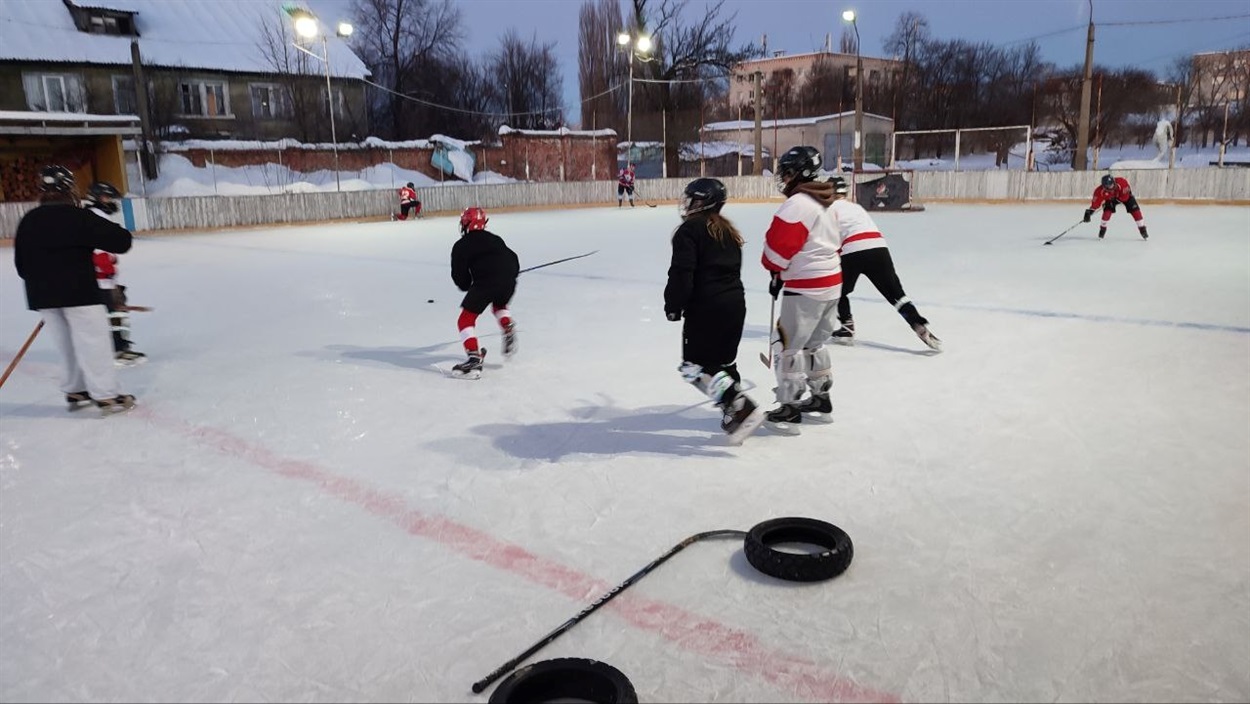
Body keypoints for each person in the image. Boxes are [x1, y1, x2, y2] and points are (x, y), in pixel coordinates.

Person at [13, 165, 136, 415]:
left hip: (43, 296)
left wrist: (45, 286)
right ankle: (106, 394)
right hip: (80, 293)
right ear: (69, 189)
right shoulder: (77, 217)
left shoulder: (29, 221)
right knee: (93, 342)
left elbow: (21, 265)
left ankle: (76, 389)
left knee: (66, 344)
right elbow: (122, 241)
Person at [663, 178, 765, 444]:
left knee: (694, 367)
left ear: (704, 202)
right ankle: (734, 411)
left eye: (692, 199)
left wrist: (673, 305)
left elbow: (682, 272)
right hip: (734, 305)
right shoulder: (728, 232)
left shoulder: (689, 230)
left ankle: (742, 408)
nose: (687, 204)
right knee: (723, 364)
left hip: (706, 307)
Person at [759, 146, 843, 435]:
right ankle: (821, 398)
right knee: (814, 345)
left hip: (806, 288)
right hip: (832, 284)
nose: (783, 177)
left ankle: (789, 409)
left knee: (786, 346)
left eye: (787, 172)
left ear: (800, 174)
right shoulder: (825, 201)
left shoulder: (798, 204)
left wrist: (775, 268)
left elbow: (777, 249)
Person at [827, 176, 941, 352]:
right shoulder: (856, 208)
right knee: (896, 294)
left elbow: (829, 241)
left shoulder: (828, 210)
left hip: (852, 249)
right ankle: (916, 322)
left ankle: (847, 327)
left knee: (837, 290)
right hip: (878, 247)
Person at [449, 207, 519, 378]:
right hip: (508, 281)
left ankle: (473, 358)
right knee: (499, 304)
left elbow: (461, 279)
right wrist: (508, 274)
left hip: (486, 283)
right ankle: (507, 325)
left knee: (465, 320)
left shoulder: (461, 245)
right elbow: (513, 259)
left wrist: (469, 284)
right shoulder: (495, 239)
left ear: (467, 223)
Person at [84, 181, 146, 365]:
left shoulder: (98, 215)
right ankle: (117, 349)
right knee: (113, 313)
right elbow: (95, 247)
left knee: (116, 311)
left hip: (105, 278)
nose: (109, 200)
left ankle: (119, 346)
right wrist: (106, 266)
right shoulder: (94, 216)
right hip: (100, 280)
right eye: (106, 197)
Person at [1085, 174, 1148, 240]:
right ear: (1103, 186)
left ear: (1114, 182)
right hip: (1111, 199)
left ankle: (1143, 230)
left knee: (1136, 212)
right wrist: (1090, 211)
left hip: (1126, 197)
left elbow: (1125, 197)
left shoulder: (1122, 182)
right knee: (1106, 214)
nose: (1111, 188)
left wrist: (1115, 200)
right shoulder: (1099, 191)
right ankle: (1102, 231)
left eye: (1111, 185)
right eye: (1108, 187)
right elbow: (1095, 203)